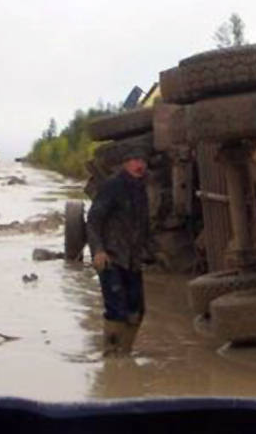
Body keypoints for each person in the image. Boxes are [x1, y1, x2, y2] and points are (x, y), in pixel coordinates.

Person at [87, 146, 152, 355]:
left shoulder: (141, 187)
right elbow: (94, 220)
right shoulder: (112, 186)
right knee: (116, 310)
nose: (139, 164)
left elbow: (143, 224)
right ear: (124, 164)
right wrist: (98, 250)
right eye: (134, 159)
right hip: (110, 257)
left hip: (132, 259)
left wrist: (150, 252)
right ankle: (112, 357)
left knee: (137, 310)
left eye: (142, 160)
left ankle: (125, 352)